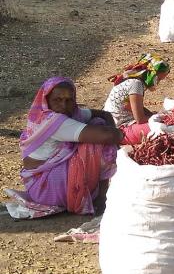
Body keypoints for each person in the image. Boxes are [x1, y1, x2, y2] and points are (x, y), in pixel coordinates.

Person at [20, 77, 122, 215]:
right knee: (97, 144)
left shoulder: (71, 112)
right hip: (45, 187)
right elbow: (109, 136)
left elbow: (104, 114)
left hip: (40, 181)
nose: (63, 105)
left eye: (69, 100)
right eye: (57, 100)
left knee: (97, 124)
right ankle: (99, 197)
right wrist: (118, 138)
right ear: (47, 101)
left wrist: (111, 131)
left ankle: (95, 193)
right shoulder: (54, 120)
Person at [104, 53, 170, 144]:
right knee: (162, 129)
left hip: (114, 124)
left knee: (158, 120)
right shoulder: (136, 84)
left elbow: (134, 107)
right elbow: (140, 119)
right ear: (151, 73)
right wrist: (161, 117)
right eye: (158, 79)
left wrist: (152, 115)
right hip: (119, 130)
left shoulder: (133, 81)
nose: (157, 82)